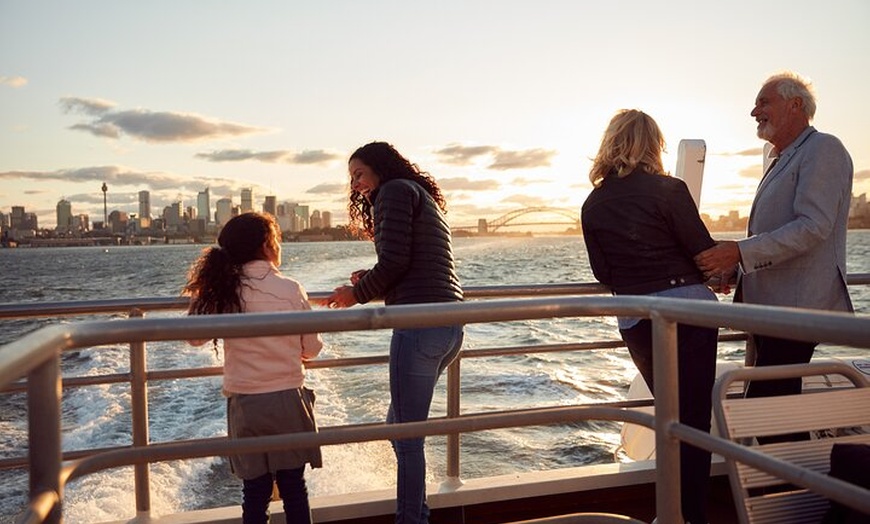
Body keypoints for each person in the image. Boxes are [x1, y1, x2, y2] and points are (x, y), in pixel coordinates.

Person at [694, 71, 854, 434]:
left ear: (795, 105)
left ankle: (786, 486)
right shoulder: (780, 158)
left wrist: (738, 252)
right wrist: (736, 270)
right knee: (775, 406)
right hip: (770, 308)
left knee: (767, 409)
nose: (754, 111)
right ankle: (786, 483)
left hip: (796, 308)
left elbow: (813, 226)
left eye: (764, 102)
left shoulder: (823, 148)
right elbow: (774, 235)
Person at [581, 109, 718, 524]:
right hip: (688, 310)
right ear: (653, 144)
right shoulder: (669, 190)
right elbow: (702, 250)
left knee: (669, 417)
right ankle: (690, 514)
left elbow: (604, 273)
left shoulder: (594, 203)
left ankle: (671, 511)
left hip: (637, 319)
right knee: (693, 422)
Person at [327, 141, 464, 524]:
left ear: (380, 168)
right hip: (450, 325)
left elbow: (395, 261)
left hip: (419, 327)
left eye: (359, 174)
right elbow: (410, 266)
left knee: (407, 438)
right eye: (351, 178)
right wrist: (370, 282)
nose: (355, 185)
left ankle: (412, 520)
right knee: (399, 427)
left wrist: (356, 293)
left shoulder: (391, 192)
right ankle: (418, 510)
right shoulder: (418, 194)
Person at [183, 212, 323, 524]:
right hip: (288, 399)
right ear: (266, 245)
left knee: (255, 490)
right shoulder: (290, 289)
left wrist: (205, 293)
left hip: (246, 403)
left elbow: (193, 337)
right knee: (293, 487)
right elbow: (310, 349)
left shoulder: (225, 290)